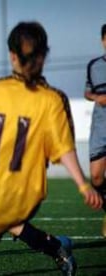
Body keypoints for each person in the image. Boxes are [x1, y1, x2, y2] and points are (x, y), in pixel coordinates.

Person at [0, 21, 104, 276]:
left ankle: (53, 246)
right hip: (22, 193)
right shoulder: (52, 99)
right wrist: (83, 185)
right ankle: (55, 246)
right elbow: (63, 148)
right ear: (44, 56)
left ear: (12, 56)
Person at [84, 23, 106, 238]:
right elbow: (87, 92)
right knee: (97, 178)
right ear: (103, 41)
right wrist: (95, 97)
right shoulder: (94, 66)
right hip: (100, 127)